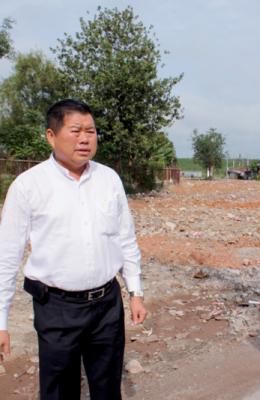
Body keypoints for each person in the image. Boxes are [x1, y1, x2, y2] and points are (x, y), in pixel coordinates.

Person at [0, 99, 147, 400]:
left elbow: (125, 238)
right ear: (51, 136)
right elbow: (7, 257)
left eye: (91, 131)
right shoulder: (28, 186)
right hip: (56, 308)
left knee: (107, 389)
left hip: (107, 305)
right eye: (76, 131)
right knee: (59, 391)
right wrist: (1, 321)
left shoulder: (109, 179)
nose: (84, 139)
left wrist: (135, 292)